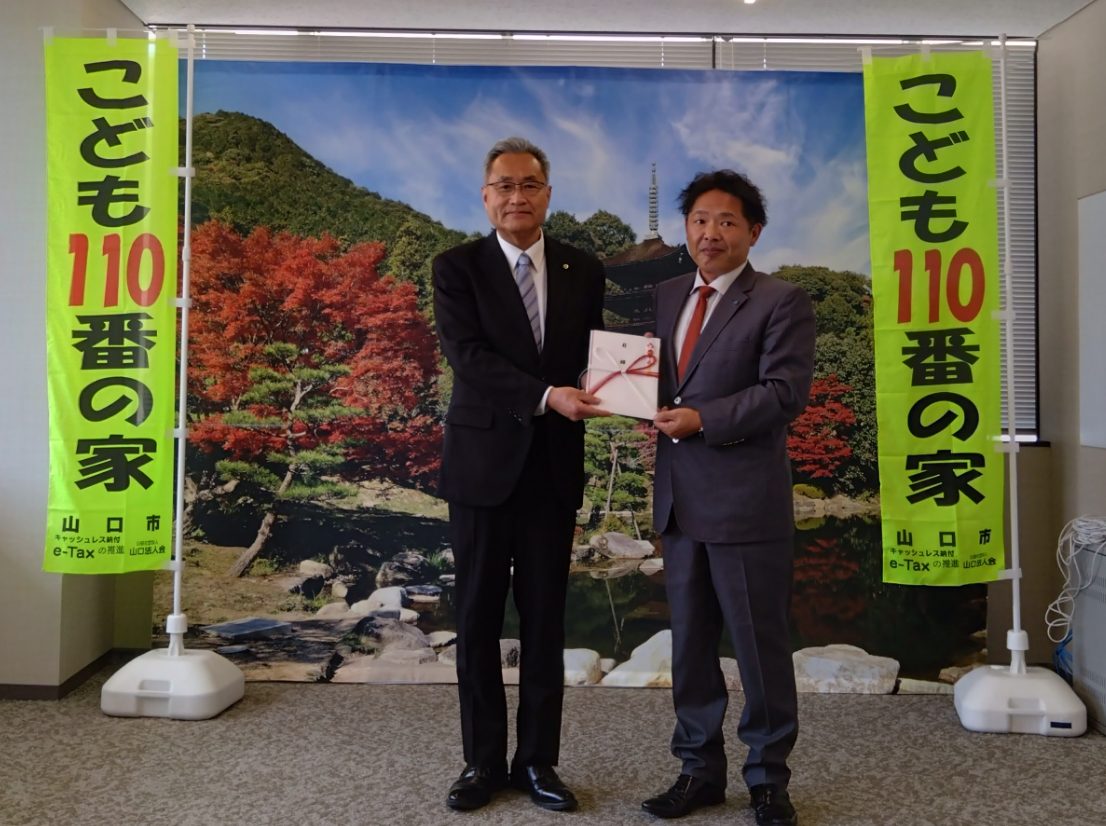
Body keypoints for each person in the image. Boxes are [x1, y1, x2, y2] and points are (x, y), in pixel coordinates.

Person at [432, 137, 609, 813]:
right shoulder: (457, 267)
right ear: (486, 197)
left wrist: (618, 384)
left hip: (553, 469)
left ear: (547, 194)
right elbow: (468, 356)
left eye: (529, 184)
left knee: (544, 622)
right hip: (482, 467)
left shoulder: (582, 268)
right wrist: (547, 395)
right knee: (477, 619)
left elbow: (596, 352)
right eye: (503, 185)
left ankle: (537, 761)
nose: (516, 196)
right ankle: (481, 762)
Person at [642, 170, 815, 826]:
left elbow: (783, 393)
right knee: (689, 646)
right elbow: (659, 377)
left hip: (745, 501)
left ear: (753, 232)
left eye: (726, 221)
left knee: (758, 648)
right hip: (679, 502)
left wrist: (703, 419)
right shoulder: (666, 294)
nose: (709, 232)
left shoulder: (780, 300)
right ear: (686, 228)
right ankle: (698, 771)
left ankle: (768, 780)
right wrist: (608, 387)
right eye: (699, 220)